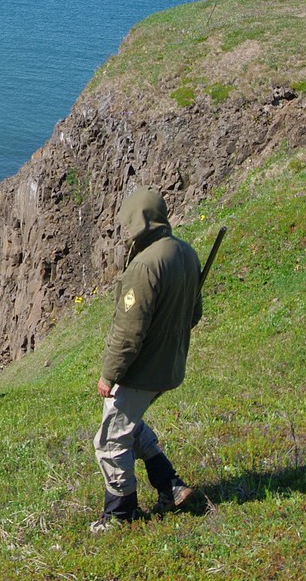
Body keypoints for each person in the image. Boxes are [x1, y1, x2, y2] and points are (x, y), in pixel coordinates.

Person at [91, 186, 202, 532]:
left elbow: (128, 333)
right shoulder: (186, 252)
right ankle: (169, 484)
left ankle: (121, 514)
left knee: (110, 441)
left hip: (142, 369)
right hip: (170, 364)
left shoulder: (145, 265)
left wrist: (109, 375)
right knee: (127, 422)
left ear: (139, 222)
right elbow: (193, 314)